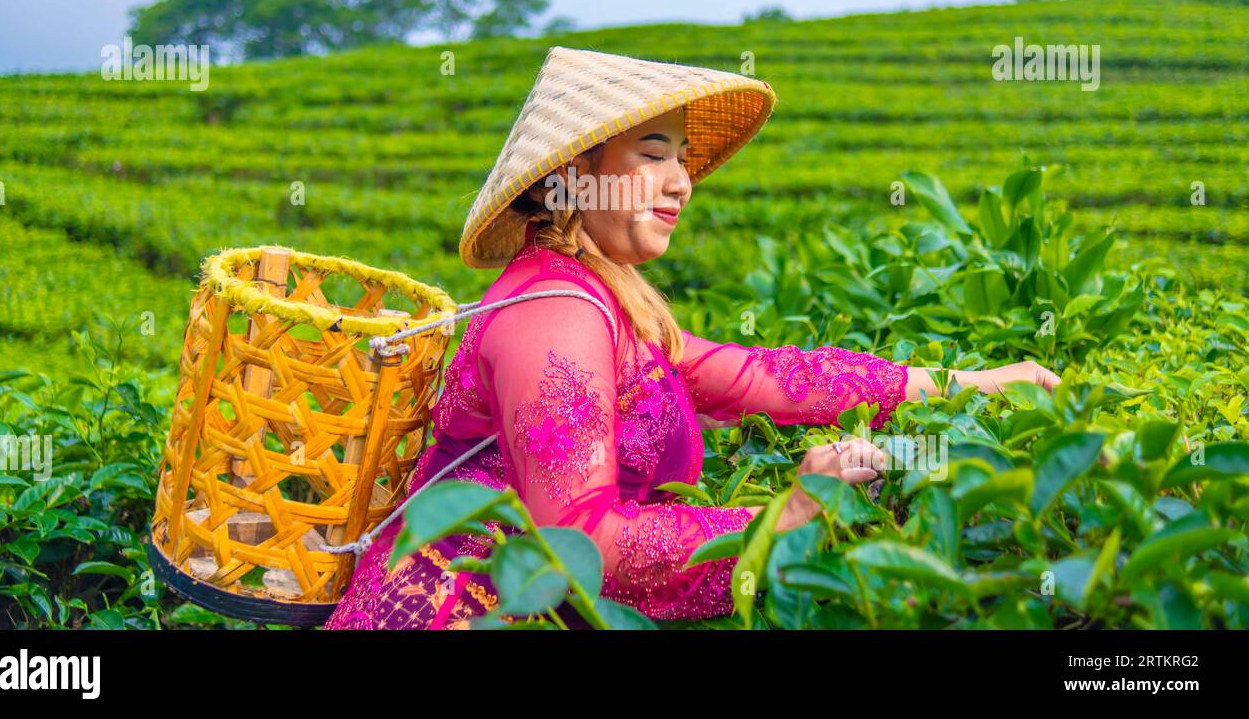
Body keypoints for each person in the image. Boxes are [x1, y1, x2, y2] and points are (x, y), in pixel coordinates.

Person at [323, 47, 1060, 630]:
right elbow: (582, 547)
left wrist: (972, 385)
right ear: (577, 176)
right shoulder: (554, 317)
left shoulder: (607, 298)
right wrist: (786, 516)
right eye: (653, 153)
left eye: (681, 158)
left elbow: (763, 379)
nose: (682, 182)